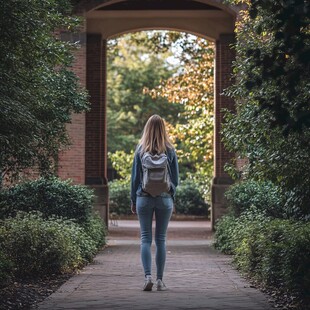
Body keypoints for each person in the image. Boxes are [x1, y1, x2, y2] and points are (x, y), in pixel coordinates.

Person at [130, 114, 179, 292]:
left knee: (145, 238)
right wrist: (170, 193)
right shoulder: (170, 150)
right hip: (164, 199)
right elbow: (176, 179)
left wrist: (134, 200)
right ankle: (159, 281)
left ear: (147, 129)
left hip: (143, 197)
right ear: (163, 129)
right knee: (161, 240)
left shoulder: (140, 149)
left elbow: (135, 179)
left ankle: (147, 277)